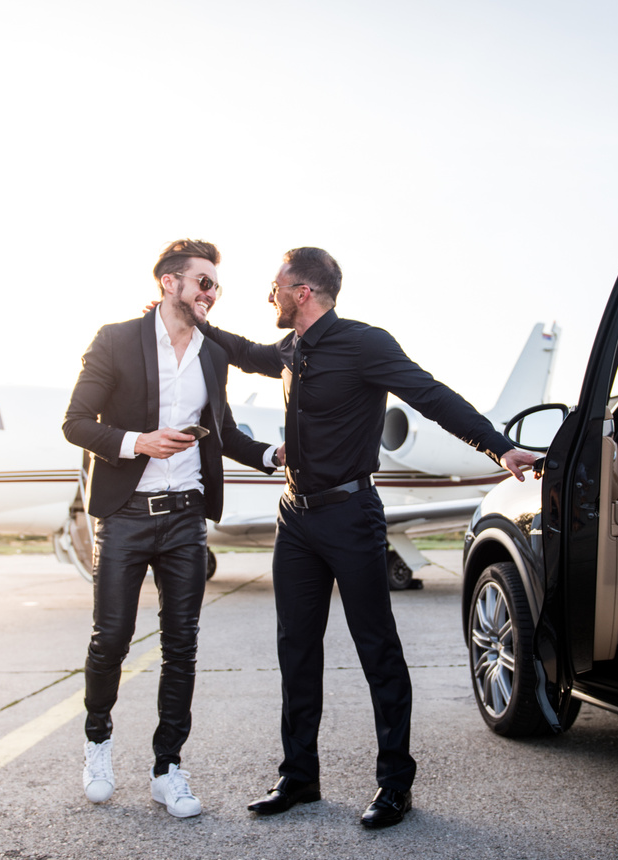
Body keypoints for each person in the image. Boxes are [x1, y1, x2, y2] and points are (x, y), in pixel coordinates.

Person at [199, 247, 534, 828]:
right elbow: (241, 351)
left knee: (377, 648)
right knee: (296, 649)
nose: (269, 295)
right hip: (295, 519)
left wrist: (498, 445)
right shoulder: (289, 349)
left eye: (275, 286)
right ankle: (299, 776)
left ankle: (394, 785)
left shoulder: (365, 343)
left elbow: (431, 396)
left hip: (352, 516)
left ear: (302, 292)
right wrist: (190, 315)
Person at [63, 239, 279, 818]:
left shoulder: (212, 352)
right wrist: (139, 443)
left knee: (181, 648)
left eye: (216, 286)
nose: (211, 293)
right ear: (169, 283)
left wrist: (271, 456)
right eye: (203, 282)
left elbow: (224, 430)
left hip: (185, 517)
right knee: (110, 639)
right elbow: (76, 423)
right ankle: (98, 746)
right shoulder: (116, 340)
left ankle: (167, 769)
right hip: (126, 516)